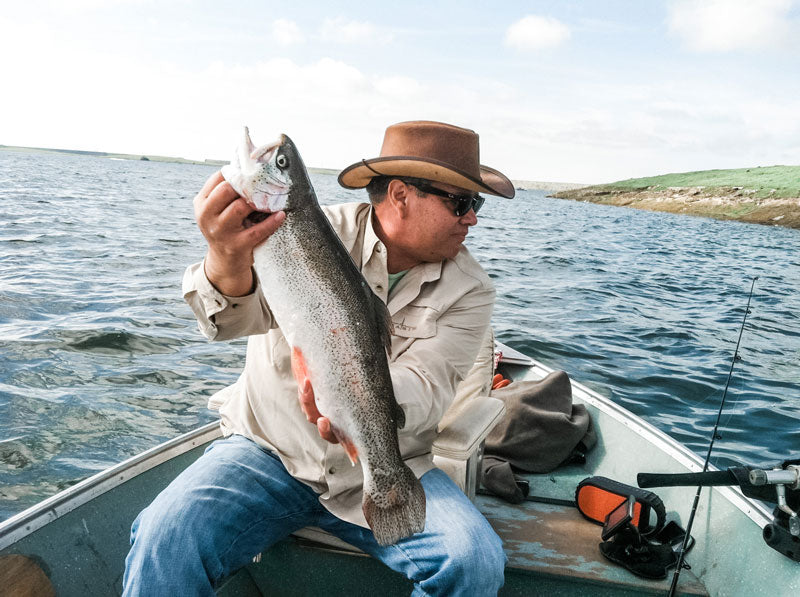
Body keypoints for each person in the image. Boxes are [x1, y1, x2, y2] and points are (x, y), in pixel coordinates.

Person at [122, 120, 516, 596]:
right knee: (163, 537)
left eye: (475, 204)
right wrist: (224, 255)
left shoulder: (472, 289)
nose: (471, 218)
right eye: (460, 202)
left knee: (474, 562)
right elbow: (228, 323)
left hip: (394, 466)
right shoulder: (301, 230)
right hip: (268, 452)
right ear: (400, 195)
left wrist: (353, 409)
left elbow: (428, 387)